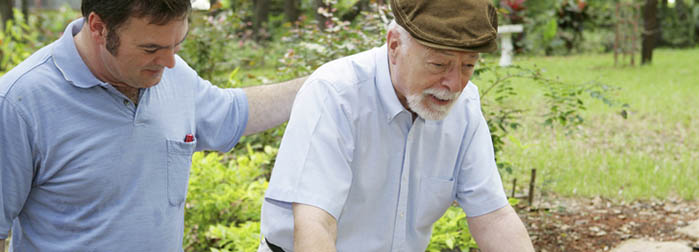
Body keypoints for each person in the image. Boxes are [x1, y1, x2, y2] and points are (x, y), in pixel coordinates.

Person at [0, 0, 305, 251]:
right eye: (150, 49)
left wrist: (322, 86)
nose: (169, 61)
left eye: (177, 44)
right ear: (98, 28)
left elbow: (232, 113)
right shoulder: (19, 102)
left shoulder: (172, 72)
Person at [259, 0, 535, 251]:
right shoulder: (335, 94)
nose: (454, 85)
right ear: (394, 46)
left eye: (468, 66)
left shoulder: (465, 106)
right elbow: (314, 225)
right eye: (439, 64)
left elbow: (493, 217)